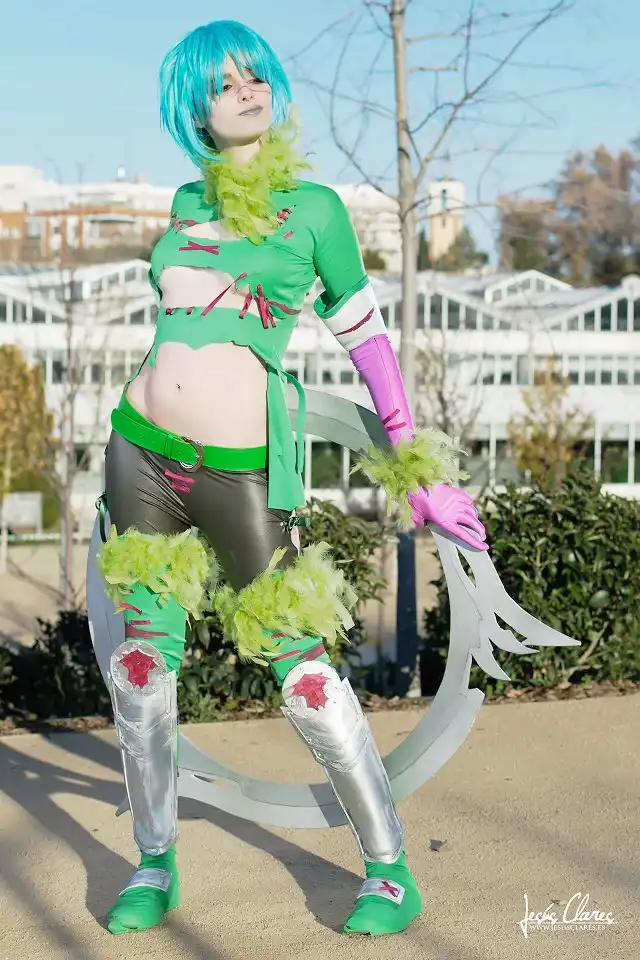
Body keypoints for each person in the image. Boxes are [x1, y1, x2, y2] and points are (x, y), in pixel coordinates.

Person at [95, 18, 487, 939]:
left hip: (241, 473)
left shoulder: (315, 211)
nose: (245, 89)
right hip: (140, 453)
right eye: (222, 81)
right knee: (142, 671)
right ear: (194, 108)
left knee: (304, 675)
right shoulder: (184, 203)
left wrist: (413, 469)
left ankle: (389, 870)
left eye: (255, 74)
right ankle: (155, 861)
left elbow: (368, 341)